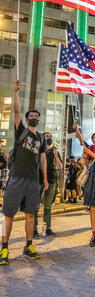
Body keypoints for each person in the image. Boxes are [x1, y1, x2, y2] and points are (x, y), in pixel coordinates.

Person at [0, 81, 48, 265]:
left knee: (30, 215)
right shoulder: (21, 131)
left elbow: (42, 159)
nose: (34, 117)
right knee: (8, 215)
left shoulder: (41, 137)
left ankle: (29, 246)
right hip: (16, 179)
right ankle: (4, 248)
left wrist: (44, 179)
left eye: (37, 115)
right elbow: (17, 111)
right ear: (27, 119)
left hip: (33, 182)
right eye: (32, 115)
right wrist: (15, 92)